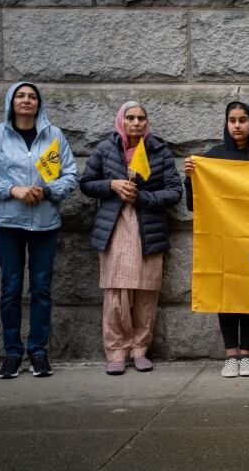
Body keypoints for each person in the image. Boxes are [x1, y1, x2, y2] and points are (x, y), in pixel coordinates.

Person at [0, 82, 78, 379]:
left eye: (32, 96)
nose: (26, 100)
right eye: (20, 96)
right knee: (10, 289)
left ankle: (38, 352)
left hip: (45, 224)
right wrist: (11, 190)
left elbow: (70, 175)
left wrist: (47, 191)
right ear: (11, 101)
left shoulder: (53, 135)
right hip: (9, 224)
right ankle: (12, 354)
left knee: (41, 289)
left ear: (38, 103)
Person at [80, 102, 182, 375]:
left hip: (148, 228)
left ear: (147, 123)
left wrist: (143, 196)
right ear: (121, 121)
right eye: (130, 118)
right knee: (116, 292)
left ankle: (139, 349)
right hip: (114, 228)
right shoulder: (105, 149)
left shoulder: (159, 151)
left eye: (141, 118)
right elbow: (86, 183)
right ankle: (116, 351)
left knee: (146, 291)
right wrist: (111, 185)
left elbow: (174, 191)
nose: (136, 123)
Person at [184, 101, 249, 378]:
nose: (237, 125)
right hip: (222, 239)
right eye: (232, 120)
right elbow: (194, 205)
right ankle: (230, 355)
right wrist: (191, 178)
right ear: (226, 124)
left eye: (243, 120)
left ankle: (246, 355)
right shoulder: (213, 157)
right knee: (225, 294)